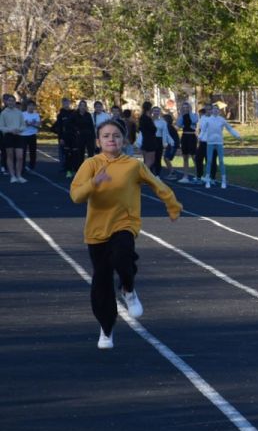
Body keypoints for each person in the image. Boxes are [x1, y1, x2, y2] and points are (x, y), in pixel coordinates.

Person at [69, 120, 183, 349]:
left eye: (116, 136)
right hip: (97, 231)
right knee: (101, 284)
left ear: (124, 140)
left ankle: (128, 289)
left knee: (123, 256)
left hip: (125, 224)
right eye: (106, 136)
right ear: (98, 141)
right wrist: (94, 182)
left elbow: (157, 184)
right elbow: (76, 196)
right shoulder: (91, 165)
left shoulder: (133, 165)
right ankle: (106, 329)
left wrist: (173, 206)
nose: (111, 139)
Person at [198, 104, 240, 189]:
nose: (215, 110)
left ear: (219, 111)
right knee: (209, 161)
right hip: (210, 143)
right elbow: (203, 131)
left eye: (217, 109)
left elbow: (230, 129)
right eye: (214, 109)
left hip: (219, 143)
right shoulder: (208, 120)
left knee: (221, 161)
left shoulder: (222, 120)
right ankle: (208, 180)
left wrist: (237, 135)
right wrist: (200, 137)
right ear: (212, 110)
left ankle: (224, 180)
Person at [0, 94, 26, 183]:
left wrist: (19, 129)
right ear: (6, 102)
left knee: (20, 157)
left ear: (15, 102)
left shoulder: (19, 112)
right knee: (10, 156)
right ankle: (13, 176)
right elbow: (1, 127)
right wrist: (10, 130)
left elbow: (23, 125)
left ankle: (19, 175)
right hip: (8, 136)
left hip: (18, 136)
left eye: (13, 101)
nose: (11, 102)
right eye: (9, 101)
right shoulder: (3, 113)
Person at [175, 102, 199, 183]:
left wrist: (190, 112)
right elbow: (178, 124)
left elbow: (194, 121)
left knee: (194, 156)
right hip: (184, 136)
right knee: (185, 157)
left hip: (192, 137)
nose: (185, 109)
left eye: (187, 107)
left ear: (189, 108)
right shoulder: (182, 116)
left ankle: (197, 175)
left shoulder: (194, 115)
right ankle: (185, 176)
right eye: (184, 107)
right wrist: (181, 114)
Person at [137, 101, 161, 175]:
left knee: (147, 160)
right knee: (150, 161)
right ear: (149, 108)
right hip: (150, 141)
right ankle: (141, 174)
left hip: (145, 140)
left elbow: (140, 128)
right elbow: (153, 129)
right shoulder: (147, 118)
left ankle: (144, 175)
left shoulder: (142, 117)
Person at [52, 97, 75, 175]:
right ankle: (63, 168)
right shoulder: (60, 115)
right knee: (63, 153)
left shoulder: (73, 113)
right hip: (63, 137)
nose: (66, 104)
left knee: (72, 153)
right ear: (62, 104)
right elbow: (58, 126)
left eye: (67, 103)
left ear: (69, 103)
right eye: (64, 103)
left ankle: (72, 168)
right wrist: (60, 136)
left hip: (72, 137)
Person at [22, 100, 41, 171]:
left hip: (32, 135)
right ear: (27, 106)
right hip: (23, 135)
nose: (31, 107)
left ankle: (31, 166)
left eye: (33, 106)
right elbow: (22, 124)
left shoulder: (36, 115)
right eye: (30, 105)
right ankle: (22, 166)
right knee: (23, 152)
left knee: (33, 151)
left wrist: (31, 124)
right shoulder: (23, 114)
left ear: (34, 107)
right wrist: (31, 123)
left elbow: (38, 125)